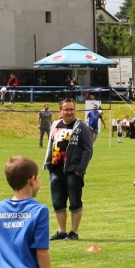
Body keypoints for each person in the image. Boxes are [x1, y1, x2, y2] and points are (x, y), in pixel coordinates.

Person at [44, 98, 94, 241]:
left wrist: (80, 170)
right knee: (57, 202)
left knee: (74, 201)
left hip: (73, 170)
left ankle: (73, 232)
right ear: (61, 110)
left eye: (72, 109)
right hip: (56, 169)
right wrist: (48, 164)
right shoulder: (55, 124)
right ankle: (61, 231)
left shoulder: (81, 126)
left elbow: (88, 150)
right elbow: (50, 144)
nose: (69, 112)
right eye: (66, 109)